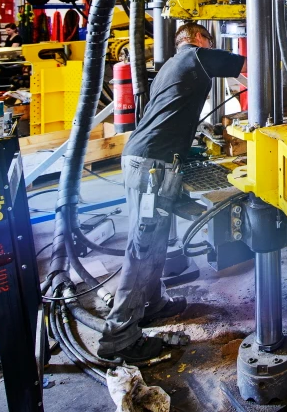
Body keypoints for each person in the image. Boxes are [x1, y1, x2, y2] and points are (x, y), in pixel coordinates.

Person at [98, 22, 245, 360]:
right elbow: (245, 63)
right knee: (143, 246)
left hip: (145, 157)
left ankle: (152, 303)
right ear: (198, 39)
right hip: (152, 165)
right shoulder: (194, 57)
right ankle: (119, 336)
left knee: (155, 239)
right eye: (209, 41)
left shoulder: (169, 66)